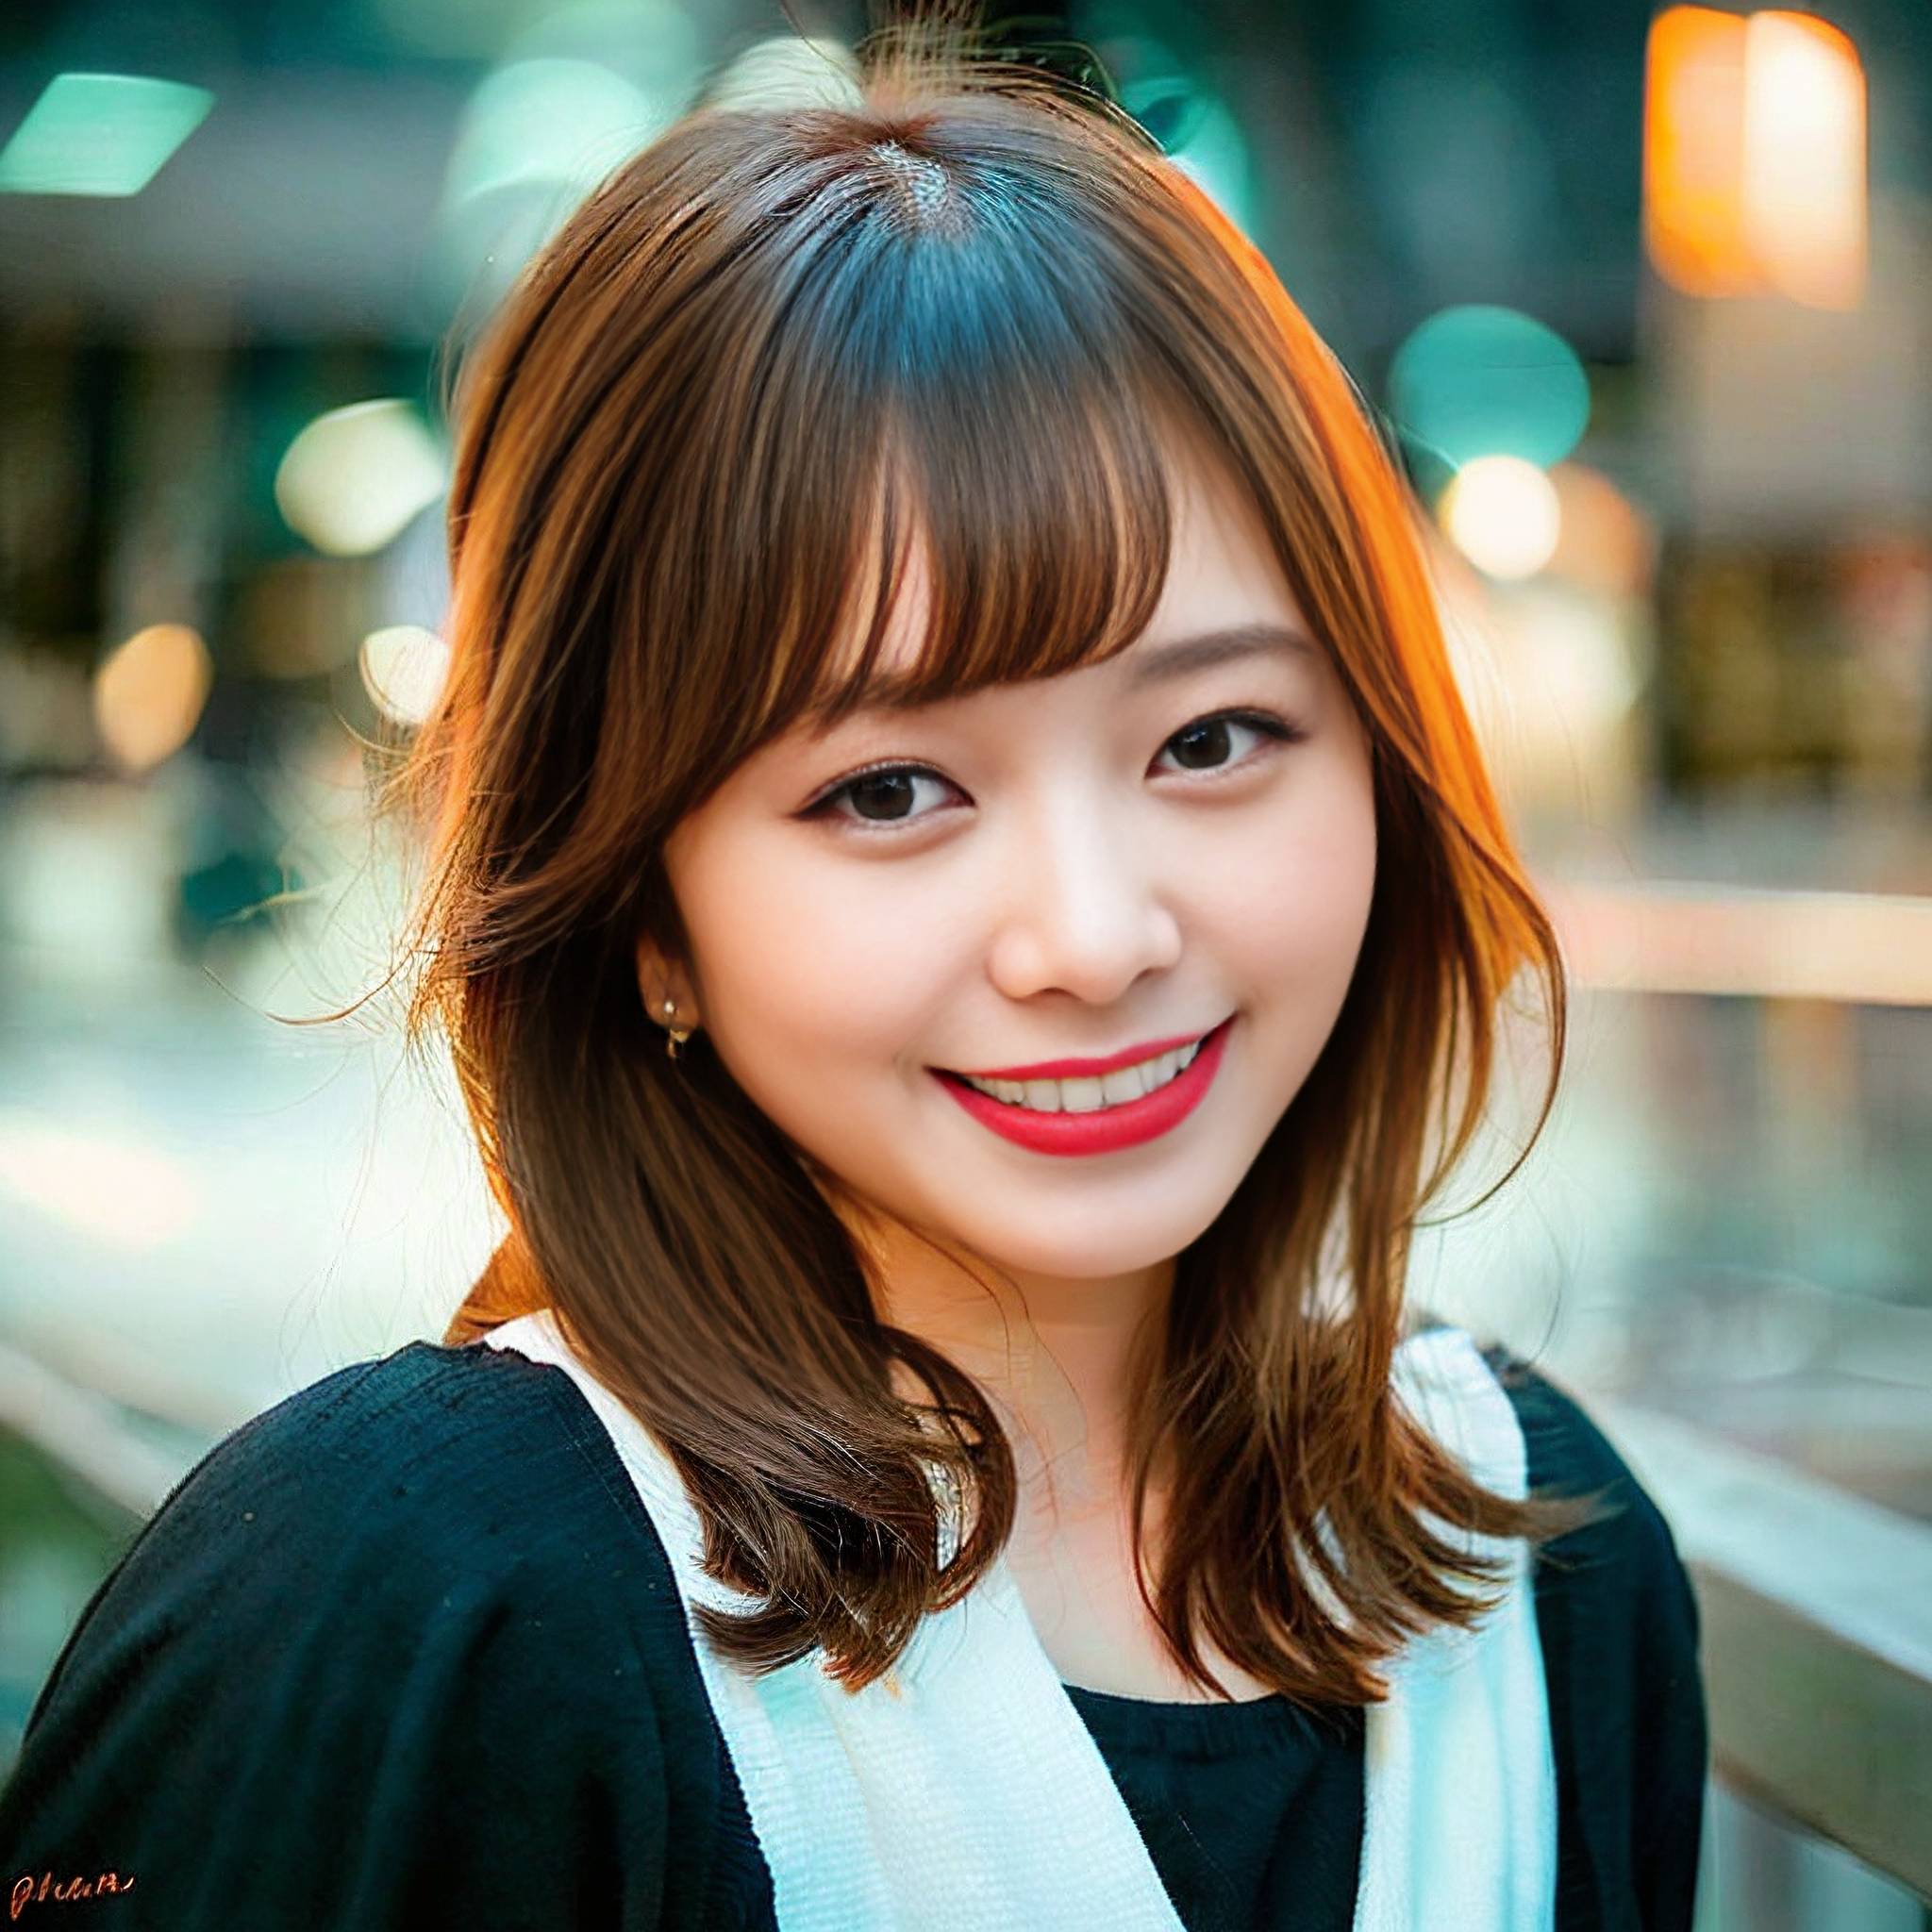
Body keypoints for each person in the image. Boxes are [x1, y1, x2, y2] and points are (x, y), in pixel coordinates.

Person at [0, 16, 1707, 1929]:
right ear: (644, 900)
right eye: (889, 786)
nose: (1094, 935)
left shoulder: (1538, 1569)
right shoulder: (405, 1599)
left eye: (1212, 738)